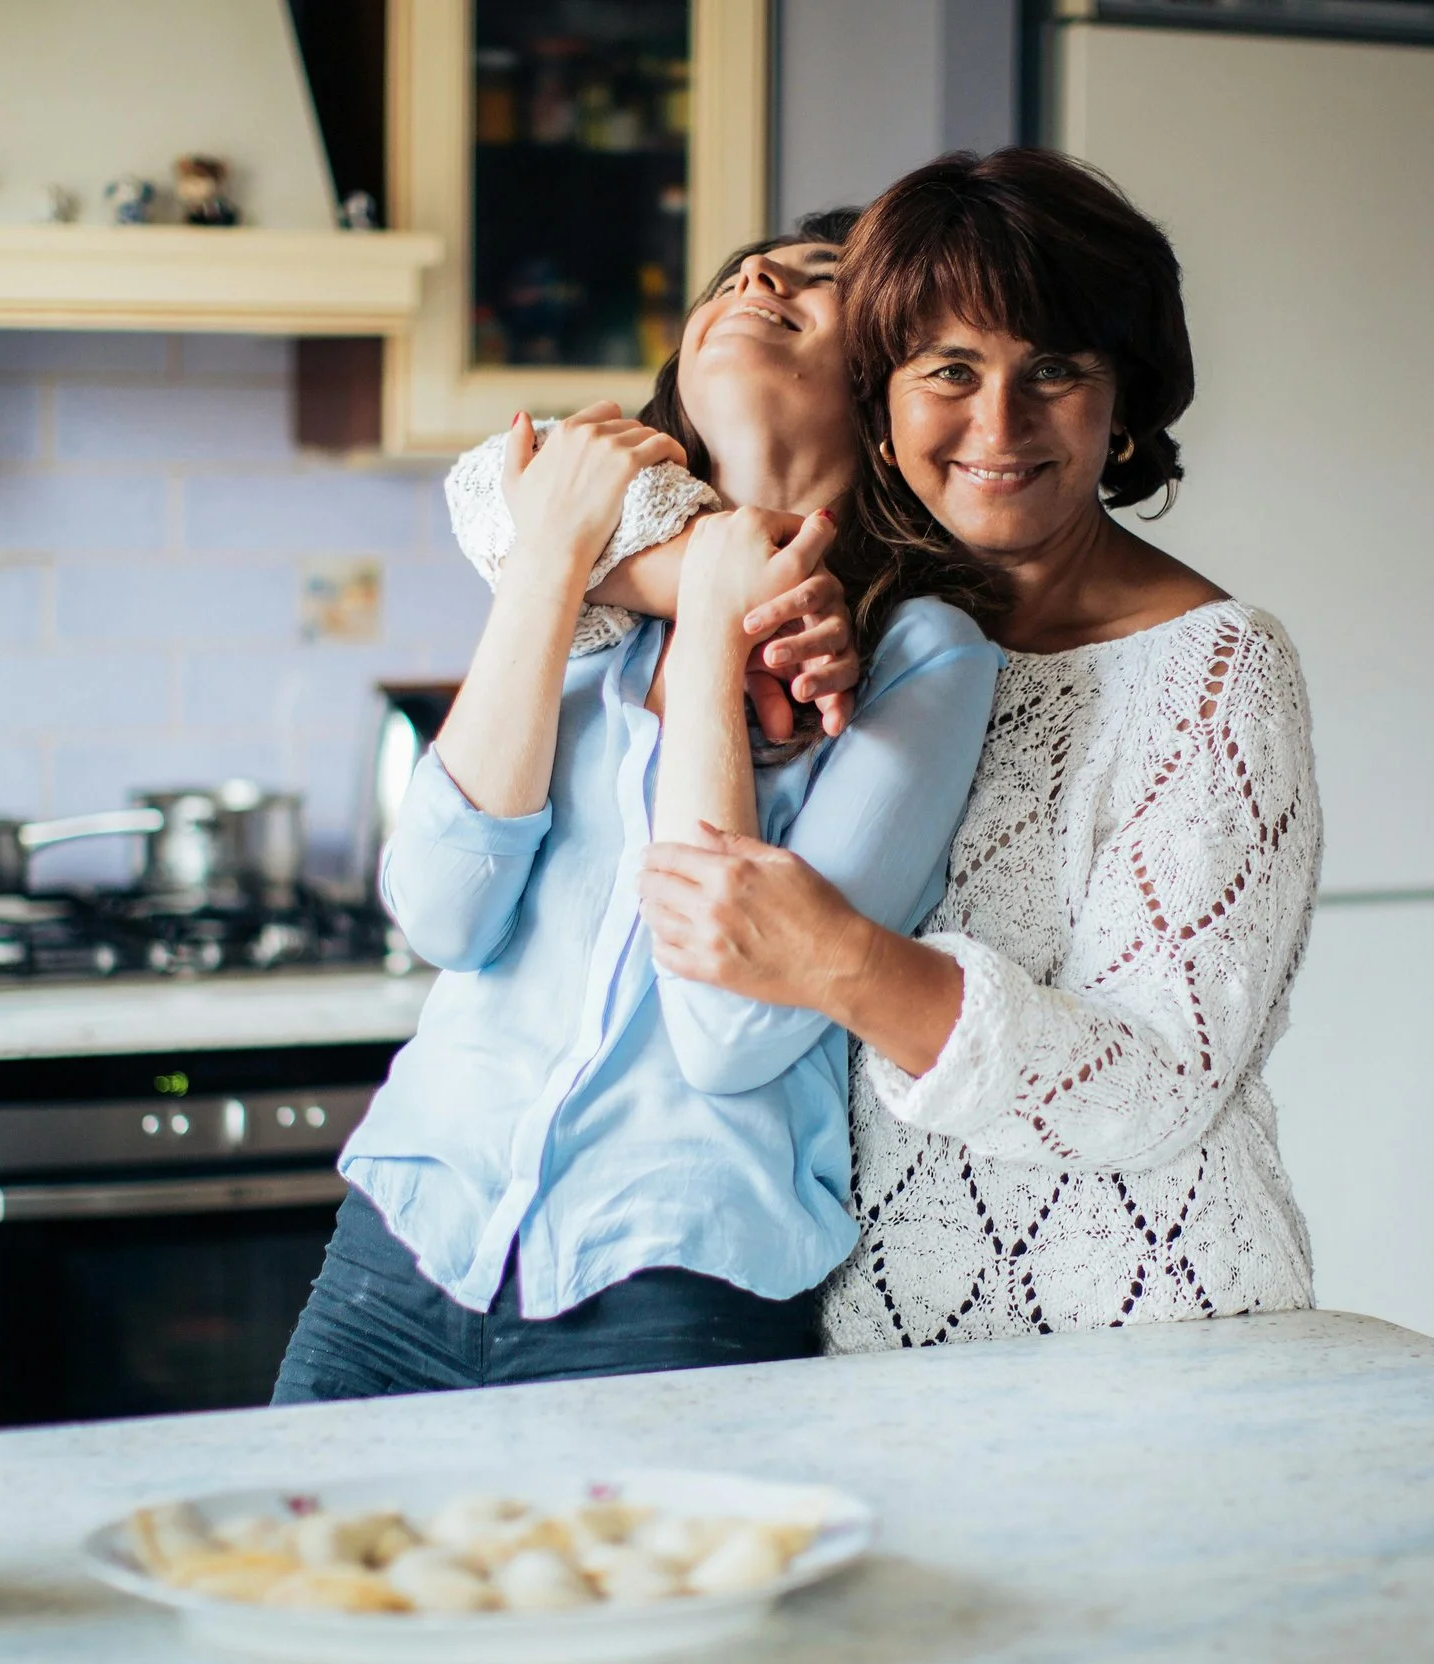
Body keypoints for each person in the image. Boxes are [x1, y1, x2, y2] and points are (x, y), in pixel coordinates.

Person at [271, 215, 1003, 1400]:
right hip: (400, 1250)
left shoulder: (919, 659)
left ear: (881, 399)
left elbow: (730, 1032)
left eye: (819, 286)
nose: (759, 276)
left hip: (675, 1291)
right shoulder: (601, 610)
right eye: (745, 272)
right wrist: (554, 561)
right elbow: (442, 913)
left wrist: (718, 617)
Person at [620, 149, 1323, 1348]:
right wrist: (669, 571)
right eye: (950, 368)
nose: (998, 424)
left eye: (1053, 369)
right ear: (877, 401)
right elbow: (506, 500)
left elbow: (1158, 1081)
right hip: (868, 1336)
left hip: (1153, 1332)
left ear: (1121, 405)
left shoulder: (1215, 669)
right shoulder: (851, 617)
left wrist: (842, 960)